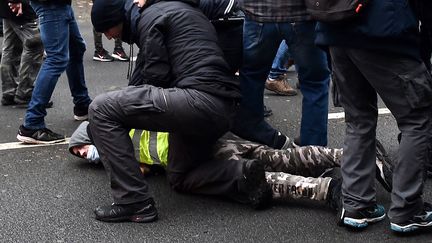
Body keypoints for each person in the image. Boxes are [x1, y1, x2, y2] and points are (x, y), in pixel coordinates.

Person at [89, 0, 269, 223]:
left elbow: (155, 79)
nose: (108, 37)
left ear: (118, 19)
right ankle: (241, 176)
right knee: (180, 176)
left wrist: (113, 125)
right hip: (223, 106)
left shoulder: (150, 20)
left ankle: (133, 201)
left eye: (107, 29)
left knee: (100, 108)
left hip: (197, 101)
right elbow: (142, 78)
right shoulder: (173, 9)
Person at [69, 121, 394, 211]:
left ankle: (331, 185)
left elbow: (140, 169)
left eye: (82, 149)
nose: (84, 155)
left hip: (198, 155)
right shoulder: (124, 115)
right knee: (275, 158)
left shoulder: (115, 138)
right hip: (210, 134)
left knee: (267, 173)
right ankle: (354, 155)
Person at [315, 0, 432, 234]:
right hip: (384, 29)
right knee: (417, 118)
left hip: (336, 28)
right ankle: (407, 210)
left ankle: (357, 204)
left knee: (358, 119)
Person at [232, 0, 331, 149]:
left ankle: (255, 138)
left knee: (252, 76)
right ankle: (313, 149)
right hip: (301, 15)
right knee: (314, 83)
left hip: (258, 12)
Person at [15, 0, 92, 144]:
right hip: (51, 4)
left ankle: (82, 105)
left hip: (60, 4)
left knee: (75, 48)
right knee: (56, 58)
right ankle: (32, 124)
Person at [0, 0, 43, 106]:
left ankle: (9, 91)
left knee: (11, 47)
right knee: (34, 46)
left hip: (7, 5)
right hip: (19, 6)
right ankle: (25, 92)